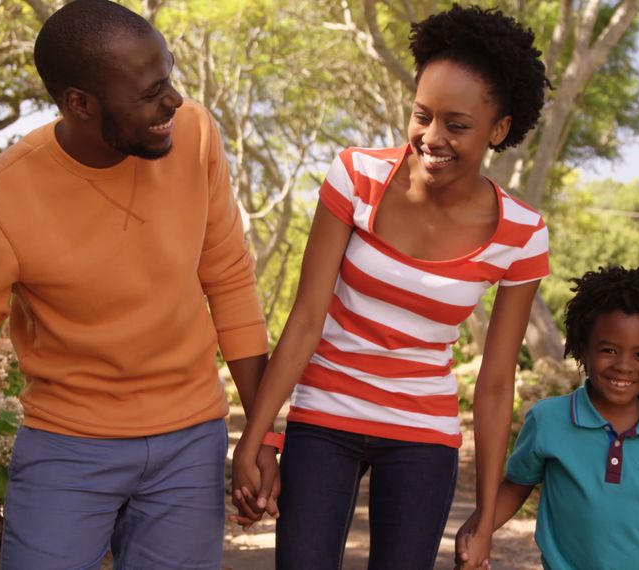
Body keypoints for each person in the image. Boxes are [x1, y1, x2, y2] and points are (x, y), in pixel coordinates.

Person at [0, 1, 273, 568]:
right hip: (67, 447)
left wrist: (261, 433)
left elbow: (228, 280)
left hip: (191, 441)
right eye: (150, 92)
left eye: (169, 76)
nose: (174, 101)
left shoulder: (194, 133)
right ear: (79, 103)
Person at [230, 5, 551, 569]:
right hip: (324, 413)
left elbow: (498, 382)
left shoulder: (522, 235)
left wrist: (485, 516)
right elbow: (306, 320)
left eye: (457, 124)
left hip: (422, 431)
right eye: (422, 115)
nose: (431, 137)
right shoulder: (356, 177)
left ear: (499, 130)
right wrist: (256, 437)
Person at [455, 266, 639, 569]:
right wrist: (475, 532)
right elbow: (514, 487)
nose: (624, 366)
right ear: (582, 347)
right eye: (609, 350)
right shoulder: (548, 420)